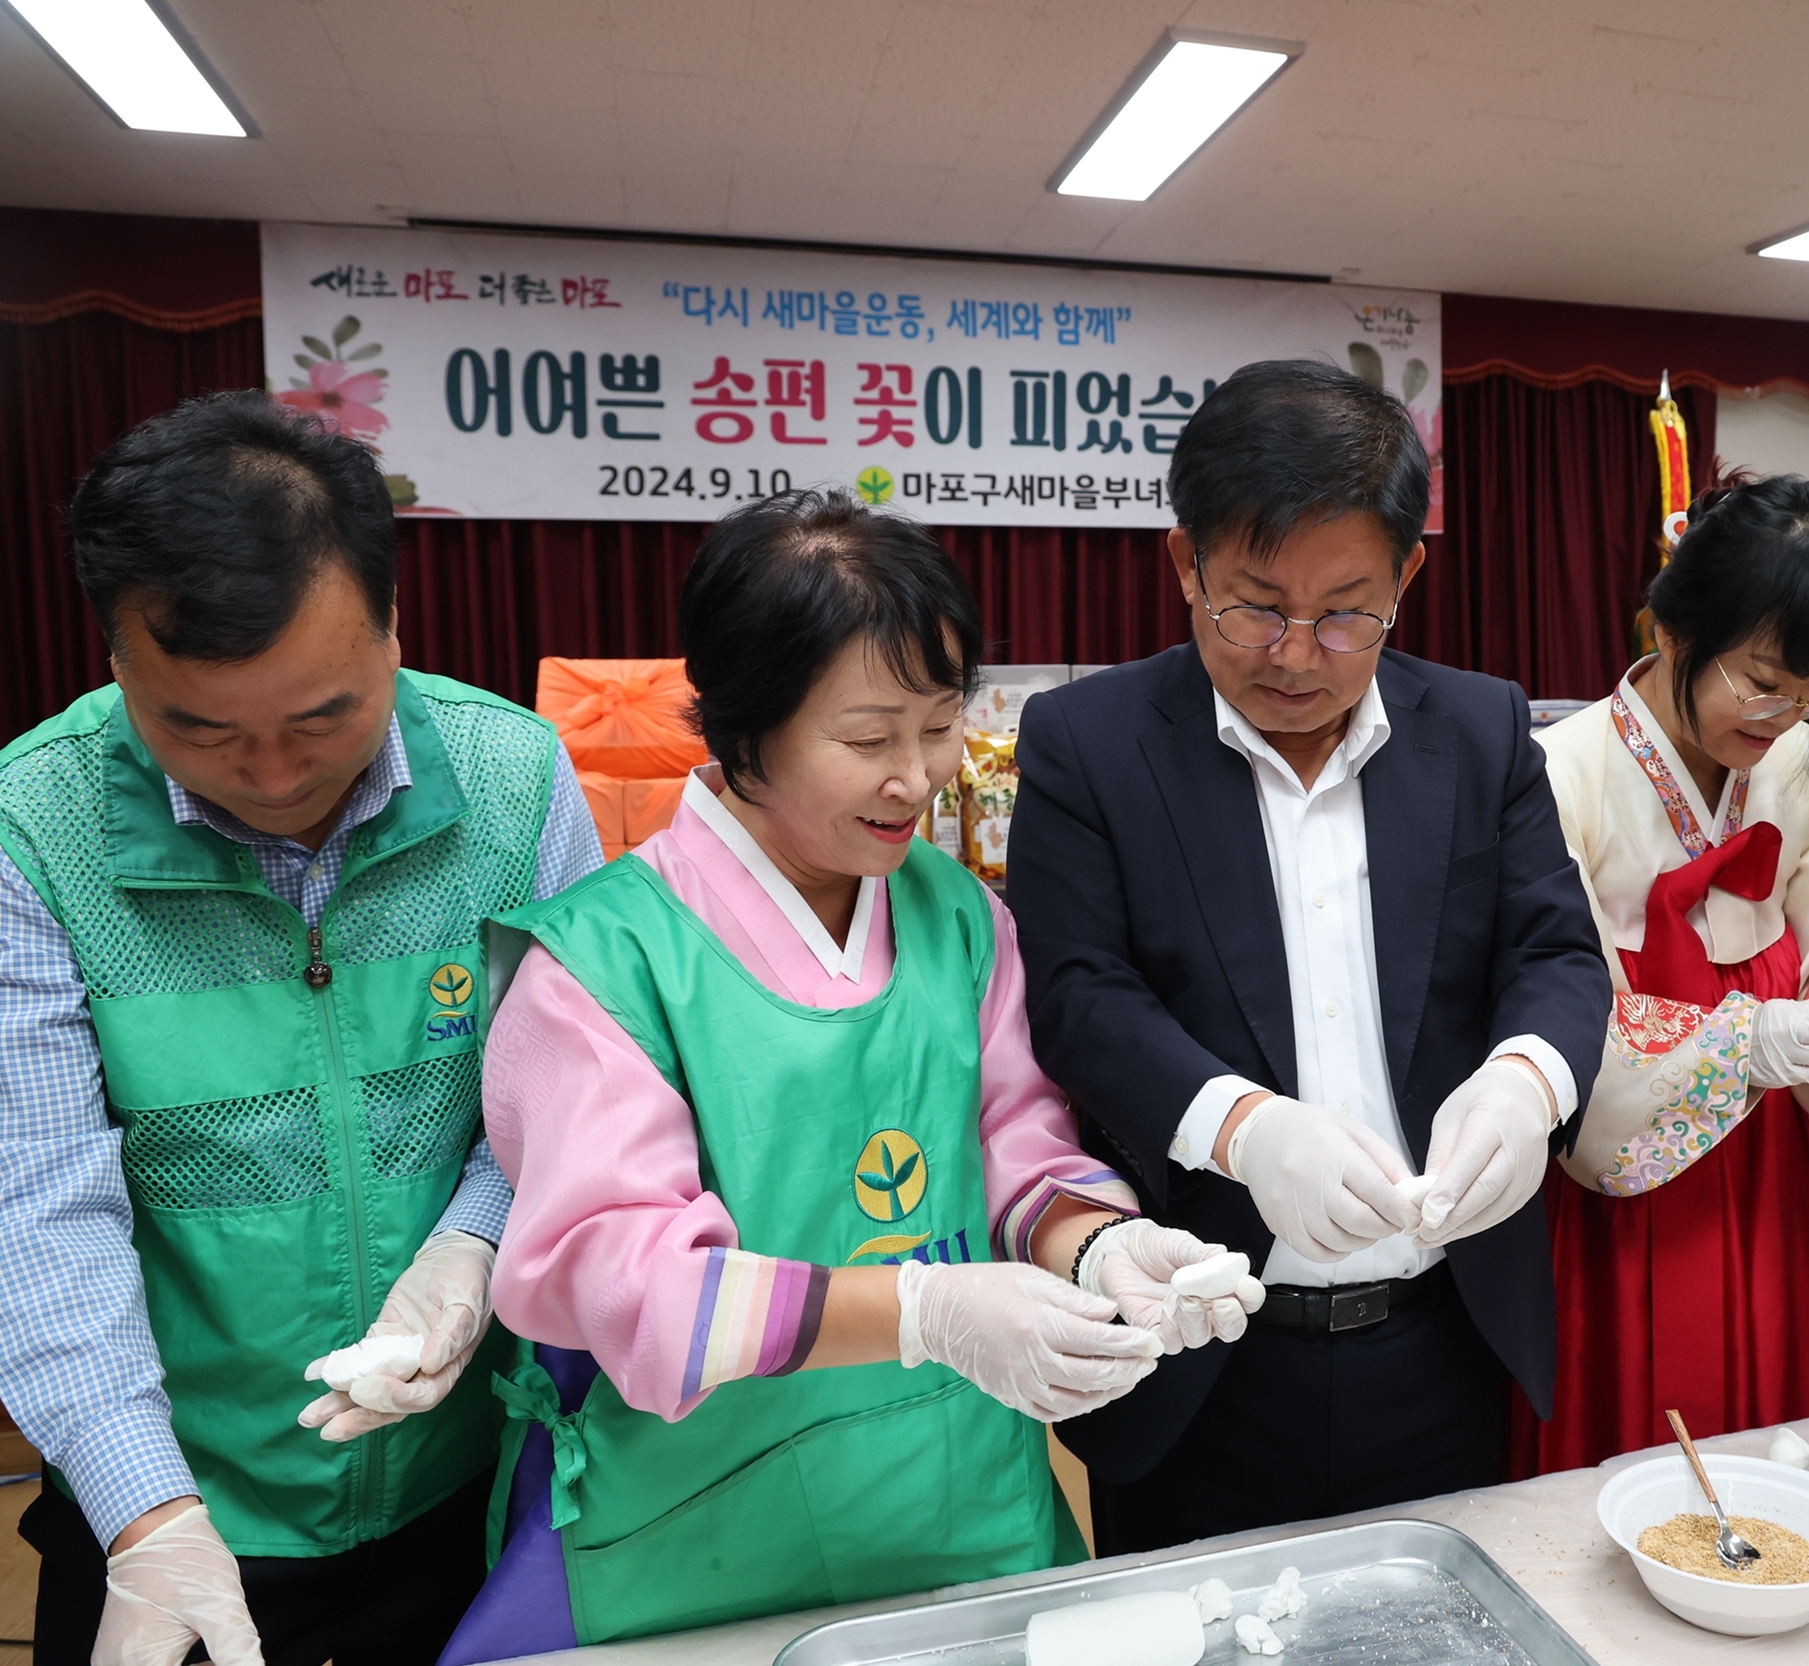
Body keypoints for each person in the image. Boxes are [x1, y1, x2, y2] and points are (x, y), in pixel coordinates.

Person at [443, 490, 1253, 1658]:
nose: (917, 776)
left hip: (962, 1508)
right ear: (743, 728)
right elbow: (634, 1282)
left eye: (939, 725)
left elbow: (1015, 1145)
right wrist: (926, 1307)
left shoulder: (960, 916)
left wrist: (1097, 1244)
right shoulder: (603, 962)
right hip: (701, 1540)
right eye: (868, 739)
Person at [0, 391, 605, 1666]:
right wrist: (148, 1517)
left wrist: (472, 1253)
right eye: (198, 728)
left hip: (466, 1492)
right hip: (168, 1506)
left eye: (321, 717)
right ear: (113, 658)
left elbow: (567, 1091)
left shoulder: (514, 778)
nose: (269, 774)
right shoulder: (25, 833)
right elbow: (38, 1202)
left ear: (390, 627)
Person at [1007, 358, 1613, 1553]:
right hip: (1199, 1354)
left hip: (1442, 1338)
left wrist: (1527, 1078)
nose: (1295, 654)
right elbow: (1079, 995)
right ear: (1183, 563)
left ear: (1409, 576)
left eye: (1347, 612)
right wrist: (1241, 1126)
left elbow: (1554, 950)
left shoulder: (1482, 729)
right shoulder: (1090, 741)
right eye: (1252, 604)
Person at [1528, 472, 1809, 1471]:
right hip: (1621, 1132)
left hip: (1754, 1143)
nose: (1786, 713)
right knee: (1616, 1400)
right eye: (1762, 680)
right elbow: (1553, 995)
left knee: (1756, 1409)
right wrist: (1738, 1040)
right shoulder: (1560, 769)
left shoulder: (1805, 769)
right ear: (1669, 629)